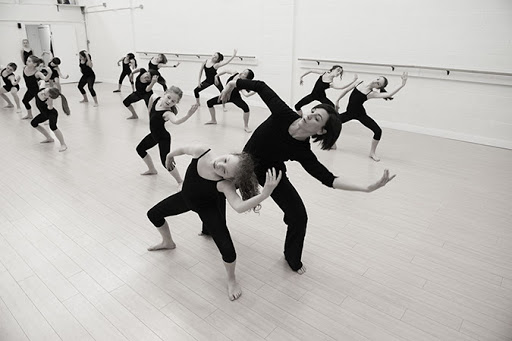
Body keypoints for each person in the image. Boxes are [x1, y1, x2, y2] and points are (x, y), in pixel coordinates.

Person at [220, 78, 395, 274]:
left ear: (320, 131)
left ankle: (292, 257)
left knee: (298, 216)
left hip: (271, 173)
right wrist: (231, 84)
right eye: (313, 112)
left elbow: (328, 179)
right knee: (216, 189)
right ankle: (210, 225)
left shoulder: (302, 151)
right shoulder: (283, 114)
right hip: (245, 162)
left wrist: (366, 188)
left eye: (316, 119)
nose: (309, 116)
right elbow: (260, 86)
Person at [147, 144, 282, 300]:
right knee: (153, 214)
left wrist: (264, 195)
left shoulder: (224, 184)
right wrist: (170, 155)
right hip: (185, 199)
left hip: (207, 209)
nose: (219, 165)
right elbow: (184, 149)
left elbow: (238, 206)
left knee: (228, 250)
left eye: (224, 170)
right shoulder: (202, 152)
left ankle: (231, 279)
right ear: (228, 154)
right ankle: (168, 242)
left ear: (228, 178)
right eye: (225, 160)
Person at [335, 72, 408, 161]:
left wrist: (402, 85)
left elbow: (388, 95)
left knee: (378, 131)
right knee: (333, 122)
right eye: (378, 79)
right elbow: (346, 91)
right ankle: (331, 142)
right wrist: (337, 100)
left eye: (379, 84)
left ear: (378, 88)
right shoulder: (359, 82)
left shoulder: (371, 93)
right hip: (349, 113)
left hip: (360, 114)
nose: (376, 82)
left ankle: (372, 153)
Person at [136, 87, 199, 186]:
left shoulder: (167, 113)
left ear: (176, 103)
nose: (169, 101)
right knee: (140, 149)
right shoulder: (156, 98)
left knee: (165, 162)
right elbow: (151, 98)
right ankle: (152, 169)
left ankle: (180, 181)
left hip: (163, 138)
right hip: (154, 135)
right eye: (168, 97)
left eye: (173, 101)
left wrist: (188, 115)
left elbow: (176, 121)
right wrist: (149, 110)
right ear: (164, 93)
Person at [30, 87, 70, 152]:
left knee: (53, 127)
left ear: (49, 96)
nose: (43, 92)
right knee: (33, 123)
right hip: (44, 114)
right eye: (45, 90)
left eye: (45, 93)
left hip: (52, 113)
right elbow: (43, 81)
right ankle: (49, 138)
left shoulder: (49, 99)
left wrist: (49, 103)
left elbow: (50, 109)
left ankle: (63, 144)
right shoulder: (44, 89)